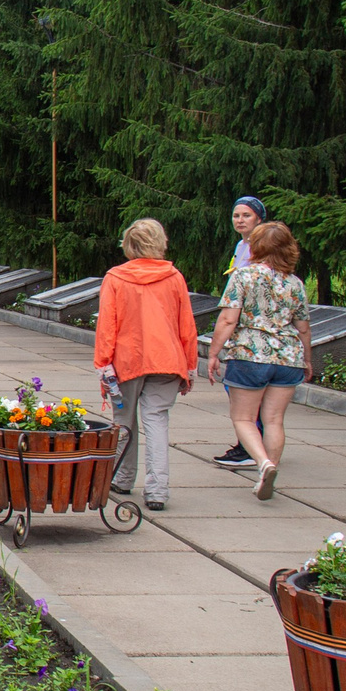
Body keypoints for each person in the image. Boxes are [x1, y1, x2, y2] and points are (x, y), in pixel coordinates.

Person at [207, 220, 315, 501]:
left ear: (255, 246)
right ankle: (269, 472)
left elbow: (228, 319)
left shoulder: (243, 276)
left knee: (243, 418)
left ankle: (263, 464)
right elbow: (303, 327)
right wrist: (307, 359)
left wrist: (214, 353)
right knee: (274, 420)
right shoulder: (295, 283)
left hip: (250, 355)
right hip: (288, 358)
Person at [93, 218, 196, 511]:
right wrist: (189, 366)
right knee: (157, 421)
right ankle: (157, 491)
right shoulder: (174, 277)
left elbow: (107, 326)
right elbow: (186, 325)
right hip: (167, 359)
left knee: (124, 422)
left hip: (127, 361)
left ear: (129, 245)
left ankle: (123, 478)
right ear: (160, 243)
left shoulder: (115, 278)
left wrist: (103, 364)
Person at [211, 195, 267, 472]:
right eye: (236, 215)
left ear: (259, 218)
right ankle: (256, 447)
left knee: (245, 392)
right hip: (242, 325)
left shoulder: (261, 246)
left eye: (246, 215)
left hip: (251, 327)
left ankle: (250, 448)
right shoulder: (242, 245)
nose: (240, 220)